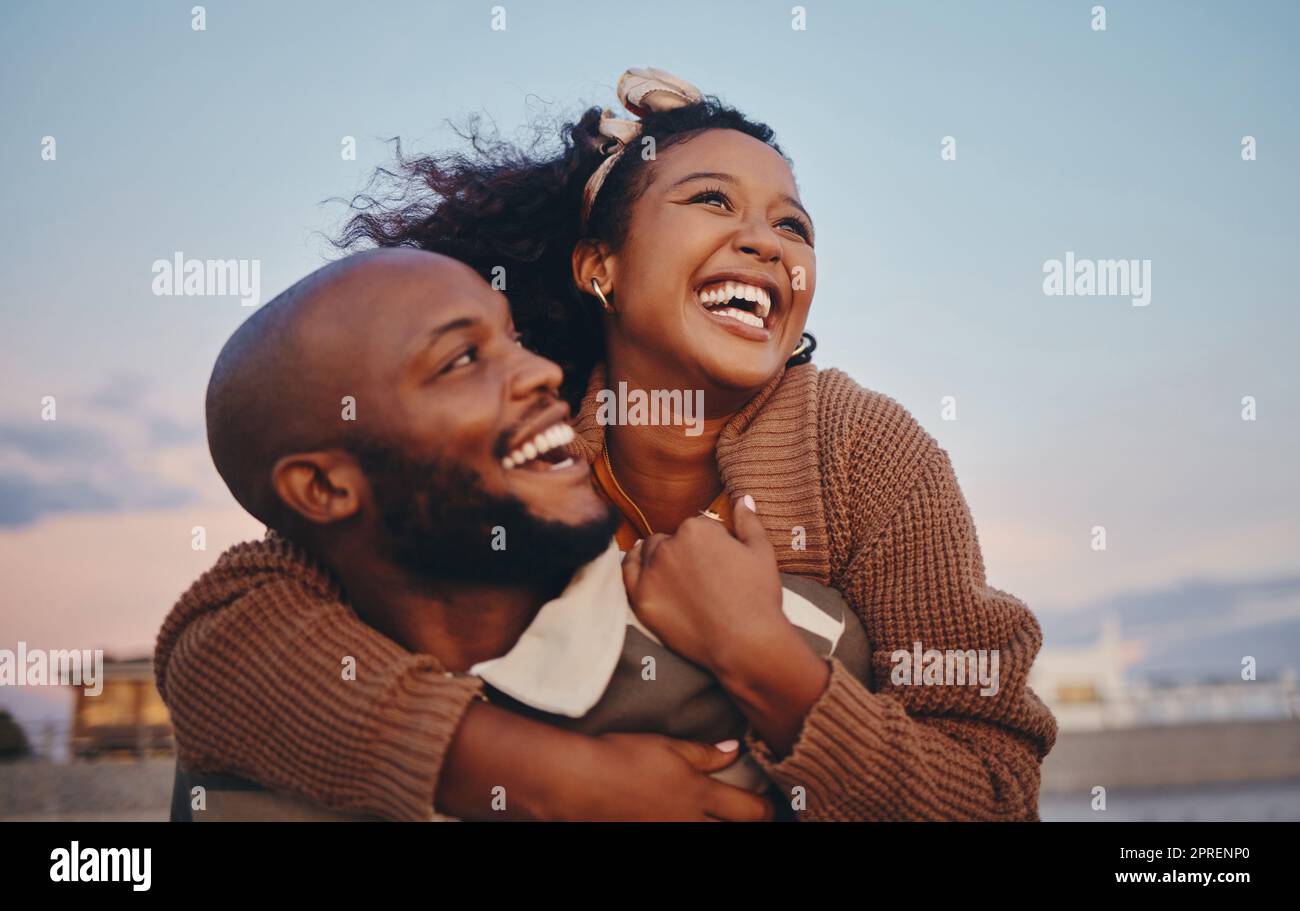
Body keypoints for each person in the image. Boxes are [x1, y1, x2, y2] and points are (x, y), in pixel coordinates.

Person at [160, 67, 1057, 821]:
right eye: (711, 200)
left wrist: (767, 659)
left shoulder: (865, 450)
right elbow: (224, 640)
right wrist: (552, 778)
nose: (763, 240)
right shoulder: (521, 423)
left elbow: (995, 786)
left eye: (794, 226)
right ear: (601, 268)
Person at [157, 247, 871, 821]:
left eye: (514, 337)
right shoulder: (248, 747)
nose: (541, 372)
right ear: (324, 489)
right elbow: (209, 641)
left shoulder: (797, 645)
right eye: (461, 360)